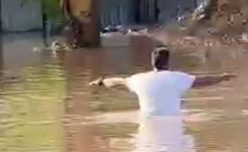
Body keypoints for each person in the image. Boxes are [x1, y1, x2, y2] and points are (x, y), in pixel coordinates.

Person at [90, 46, 231, 116]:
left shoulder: (139, 79)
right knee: (183, 104)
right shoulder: (178, 78)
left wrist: (101, 81)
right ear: (168, 62)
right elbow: (204, 81)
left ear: (152, 62)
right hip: (172, 120)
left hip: (146, 120)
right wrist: (222, 78)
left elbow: (115, 82)